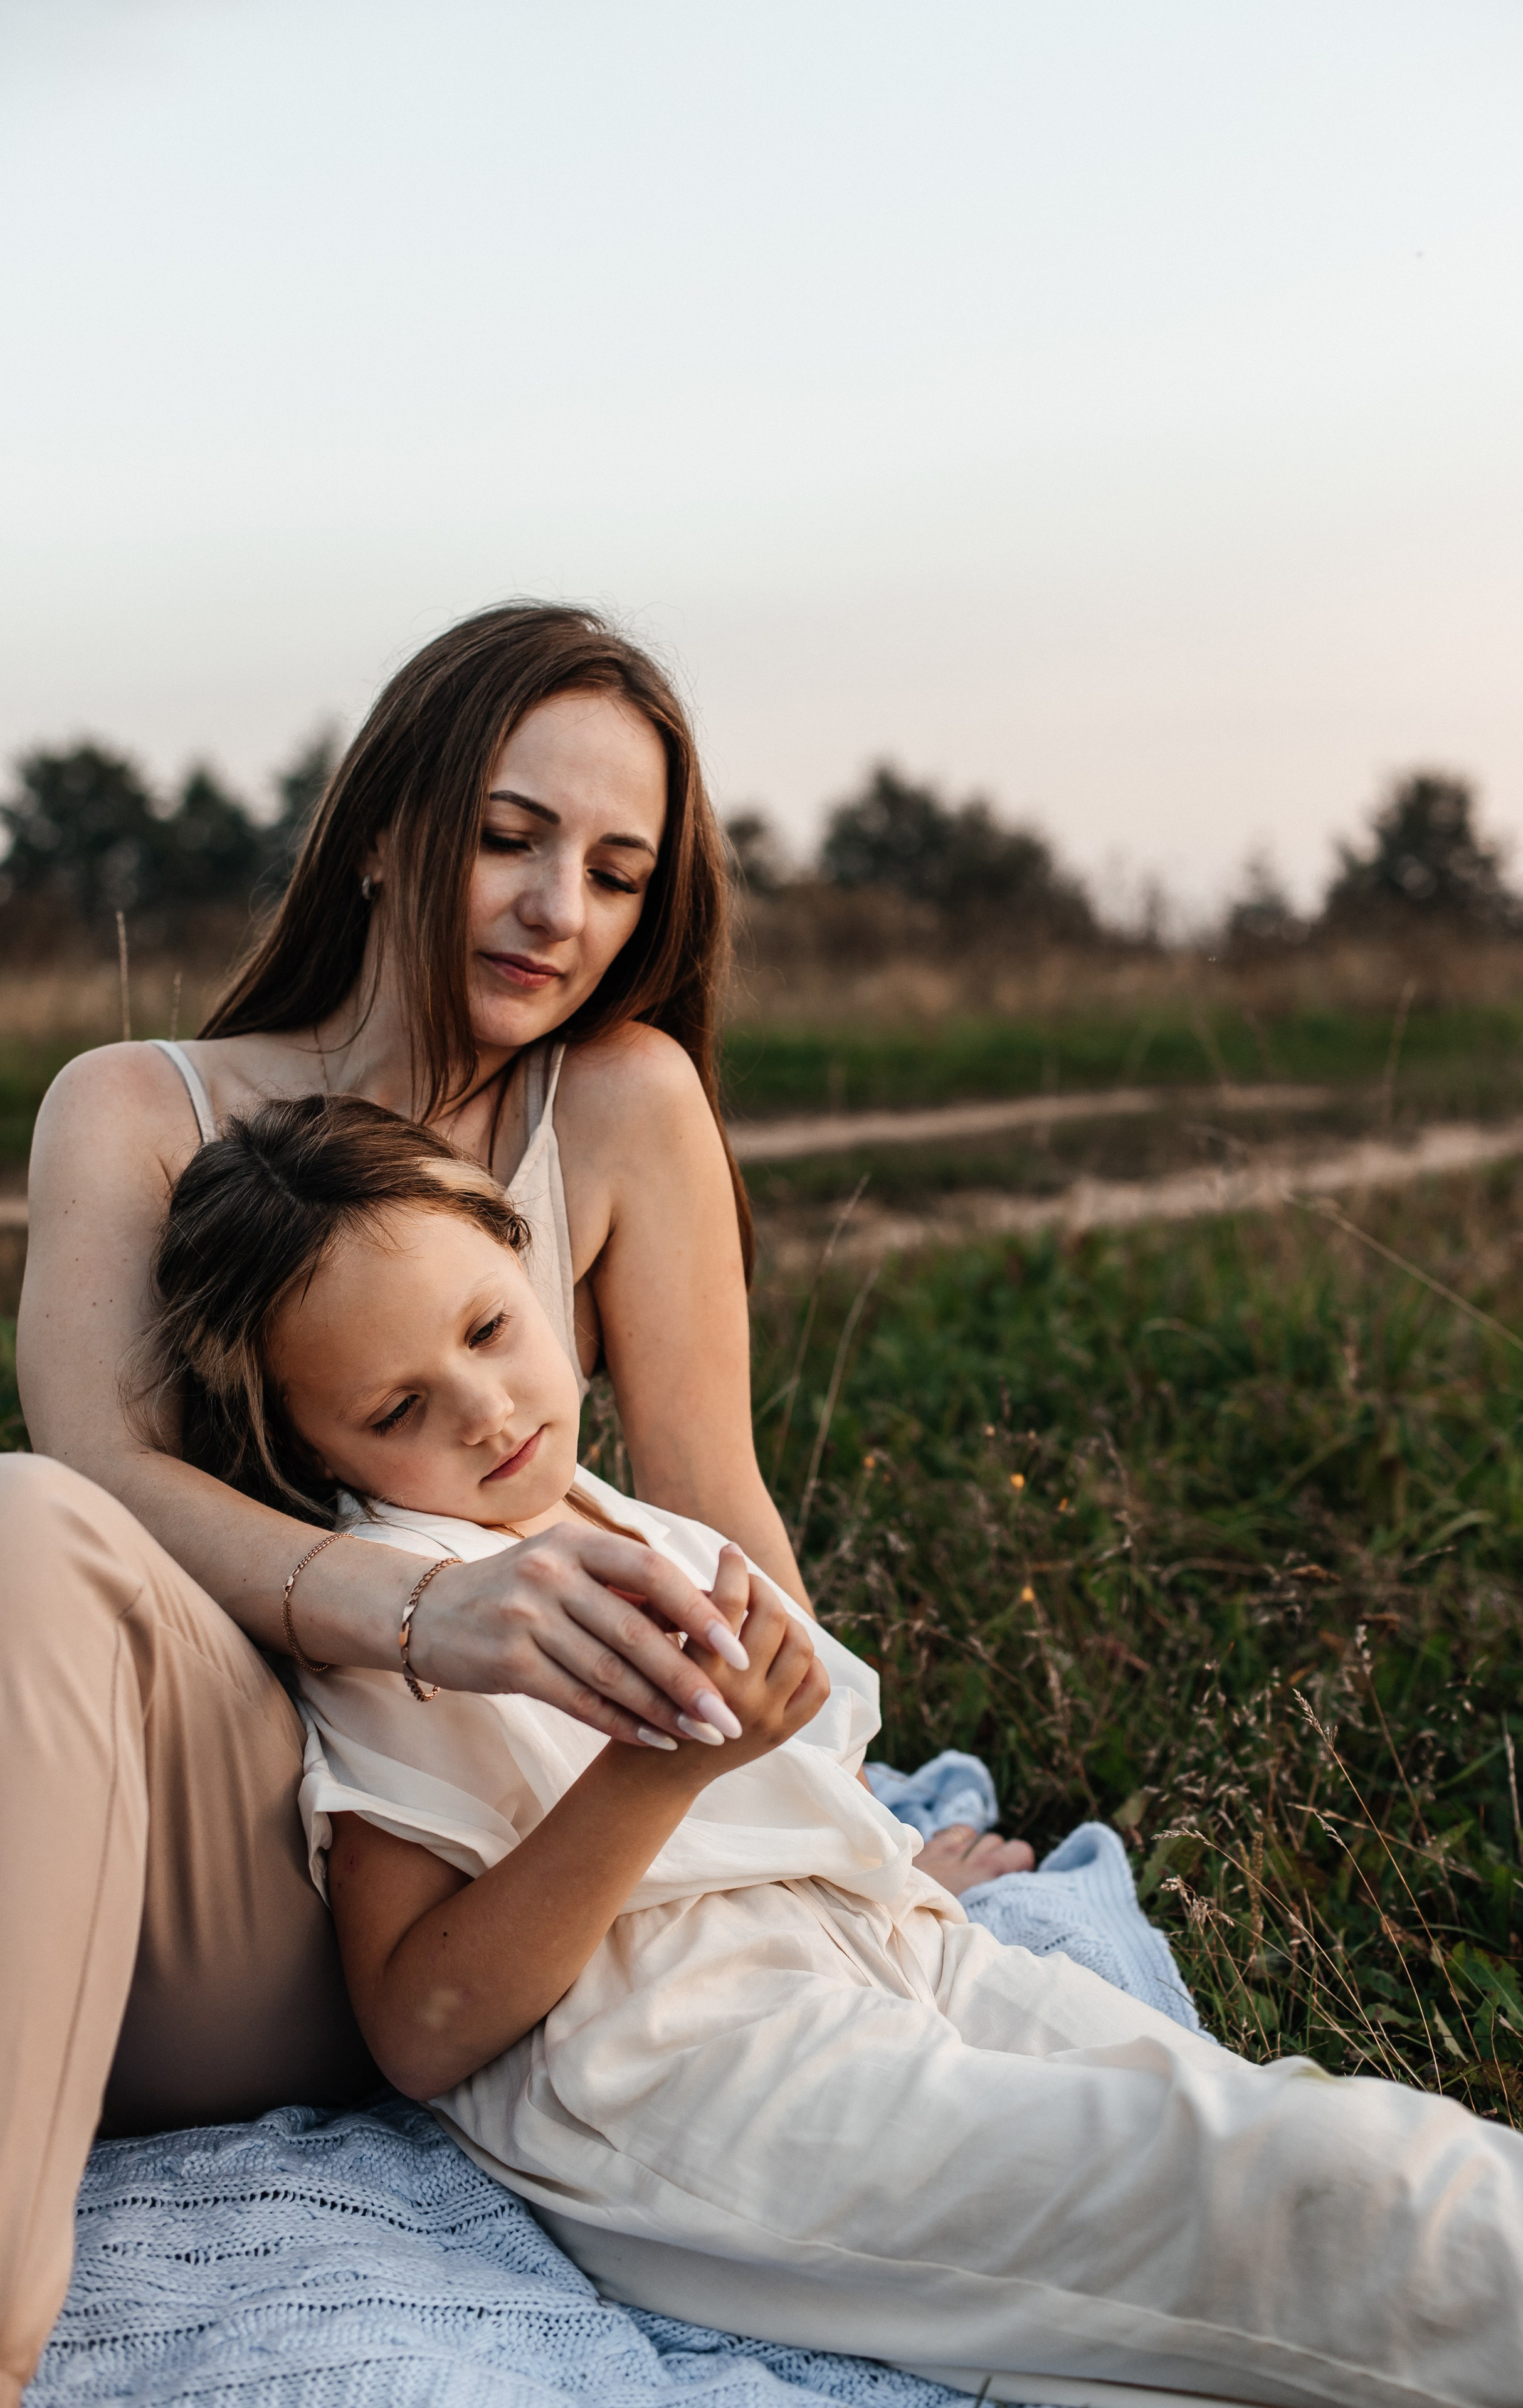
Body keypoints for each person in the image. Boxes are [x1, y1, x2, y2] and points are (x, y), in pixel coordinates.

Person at [136, 1089, 1523, 2408]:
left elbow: (775, 1796)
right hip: (689, 2069)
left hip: (897, 1958)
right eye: (398, 1408)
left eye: (485, 1329)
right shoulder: (406, 1611)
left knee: (1313, 2145)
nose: (486, 1410)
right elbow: (421, 2026)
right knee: (1316, 2195)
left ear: (531, 1272)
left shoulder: (618, 1518)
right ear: (314, 1453)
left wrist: (873, 1855)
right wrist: (659, 1776)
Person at [0, 605, 1024, 2404]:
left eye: (620, 871)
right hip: (213, 1868)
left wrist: (856, 1837)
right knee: (23, 1524)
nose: (564, 909)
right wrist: (409, 1610)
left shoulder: (621, 1102)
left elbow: (712, 1504)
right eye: (510, 836)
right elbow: (97, 1470)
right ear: (391, 826)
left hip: (440, 1899)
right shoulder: (135, 1111)